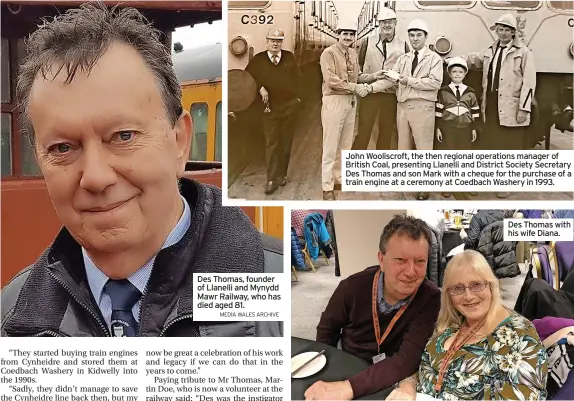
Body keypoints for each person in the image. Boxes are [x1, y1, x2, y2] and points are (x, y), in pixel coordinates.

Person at [1, 3, 283, 337]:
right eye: (63, 147)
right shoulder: (10, 315)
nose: (95, 176)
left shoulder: (280, 297)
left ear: (180, 142)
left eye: (123, 136)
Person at [305, 215, 441, 400]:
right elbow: (327, 330)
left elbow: (407, 359)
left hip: (391, 375)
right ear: (381, 259)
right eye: (400, 259)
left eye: (420, 262)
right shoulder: (351, 287)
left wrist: (348, 388)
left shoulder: (430, 298)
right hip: (348, 364)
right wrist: (326, 371)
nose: (411, 272)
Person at [387, 250, 548, 400]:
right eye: (458, 288)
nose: (468, 296)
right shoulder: (450, 324)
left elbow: (529, 395)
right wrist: (407, 385)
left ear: (491, 285)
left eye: (476, 285)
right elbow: (421, 368)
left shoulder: (521, 334)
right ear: (448, 295)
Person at [479, 14, 536, 199]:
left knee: (510, 145)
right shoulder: (491, 50)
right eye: (500, 29)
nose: (502, 33)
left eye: (506, 30)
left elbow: (529, 82)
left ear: (513, 32)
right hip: (492, 103)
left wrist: (524, 108)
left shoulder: (524, 52)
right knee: (494, 143)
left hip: (511, 105)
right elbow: (475, 59)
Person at [388, 19, 443, 201]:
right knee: (403, 146)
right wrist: (372, 83)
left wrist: (408, 80)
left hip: (422, 107)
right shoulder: (404, 58)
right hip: (402, 106)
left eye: (419, 35)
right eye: (412, 35)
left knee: (423, 148)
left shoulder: (434, 59)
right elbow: (393, 77)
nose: (415, 39)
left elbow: (435, 83)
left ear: (426, 37)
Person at [245, 28, 302, 195]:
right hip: (269, 110)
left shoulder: (289, 58)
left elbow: (300, 80)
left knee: (285, 143)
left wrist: (298, 100)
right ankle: (271, 179)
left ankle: (281, 175)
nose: (275, 44)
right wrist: (260, 88)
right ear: (267, 42)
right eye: (272, 41)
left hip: (289, 108)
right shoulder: (258, 60)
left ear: (281, 43)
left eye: (278, 41)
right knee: (272, 143)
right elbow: (248, 79)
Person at [319, 22, 369, 201]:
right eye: (345, 34)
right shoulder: (328, 53)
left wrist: (376, 76)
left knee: (345, 144)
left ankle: (339, 178)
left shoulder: (353, 53)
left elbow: (358, 76)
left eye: (351, 34)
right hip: (334, 101)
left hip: (350, 101)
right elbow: (332, 80)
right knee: (330, 145)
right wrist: (356, 87)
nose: (348, 37)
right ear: (338, 35)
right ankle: (327, 186)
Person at [352, 7, 408, 151]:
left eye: (390, 22)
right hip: (369, 94)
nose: (387, 25)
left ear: (395, 23)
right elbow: (359, 67)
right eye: (383, 22)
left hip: (390, 96)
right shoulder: (367, 42)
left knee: (386, 132)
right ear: (379, 24)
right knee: (363, 132)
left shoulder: (404, 45)